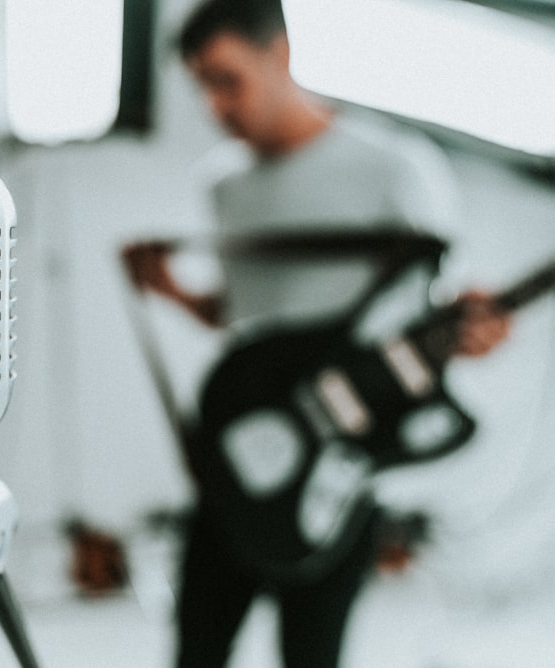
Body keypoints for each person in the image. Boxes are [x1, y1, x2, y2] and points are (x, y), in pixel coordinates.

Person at [124, 1, 512, 666]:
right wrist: (172, 291)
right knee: (197, 645)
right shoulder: (224, 185)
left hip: (339, 459)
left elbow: (438, 307)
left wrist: (480, 328)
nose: (215, 105)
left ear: (280, 54)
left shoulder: (395, 166)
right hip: (245, 443)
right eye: (201, 87)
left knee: (311, 653)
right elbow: (243, 313)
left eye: (226, 78)